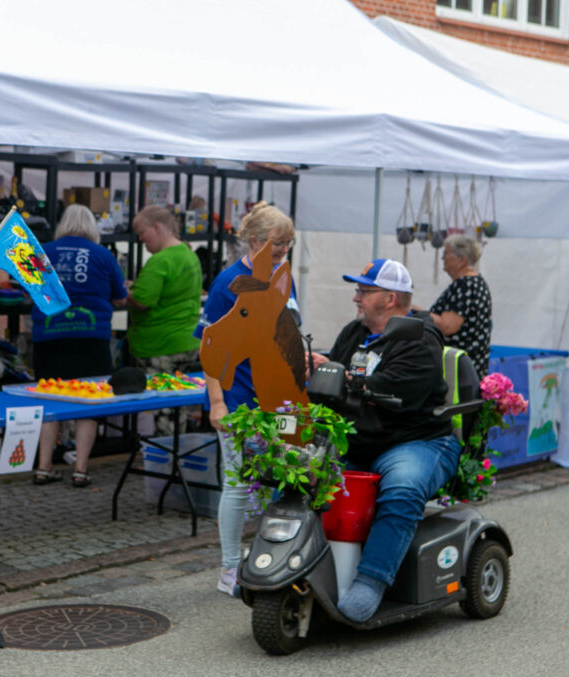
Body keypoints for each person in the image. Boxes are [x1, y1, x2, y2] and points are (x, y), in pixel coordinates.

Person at [308, 258, 460, 622]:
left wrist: (341, 376)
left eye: (364, 291)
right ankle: (292, 568)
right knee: (303, 478)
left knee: (403, 488)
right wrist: (318, 367)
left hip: (418, 441)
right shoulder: (355, 332)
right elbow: (337, 373)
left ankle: (371, 581)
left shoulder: (420, 341)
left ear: (389, 298)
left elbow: (390, 388)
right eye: (358, 290)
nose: (356, 298)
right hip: (363, 439)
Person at [194, 202, 300, 597]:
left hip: (280, 400)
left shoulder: (282, 277)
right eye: (275, 249)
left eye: (286, 248)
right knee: (238, 483)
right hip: (239, 399)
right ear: (253, 242)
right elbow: (210, 348)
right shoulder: (228, 283)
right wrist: (217, 402)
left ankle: (274, 556)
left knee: (286, 479)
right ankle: (229, 567)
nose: (281, 255)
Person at [31, 205, 127, 487]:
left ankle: (44, 466)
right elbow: (120, 297)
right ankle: (81, 470)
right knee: (89, 400)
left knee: (50, 399)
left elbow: (30, 288)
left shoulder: (43, 251)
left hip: (49, 336)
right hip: (91, 337)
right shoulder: (102, 255)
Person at [127, 205, 203, 435]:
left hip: (160, 345)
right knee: (177, 404)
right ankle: (175, 452)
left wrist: (127, 293)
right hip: (188, 341)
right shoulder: (190, 256)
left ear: (157, 227)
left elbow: (143, 300)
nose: (141, 240)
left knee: (163, 408)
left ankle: (163, 457)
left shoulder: (160, 261)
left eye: (143, 233)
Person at [427, 234, 492, 377]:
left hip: (458, 370)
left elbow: (447, 326)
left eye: (446, 253)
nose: (443, 257)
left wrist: (419, 314)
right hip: (467, 366)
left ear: (461, 260)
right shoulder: (473, 283)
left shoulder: (466, 285)